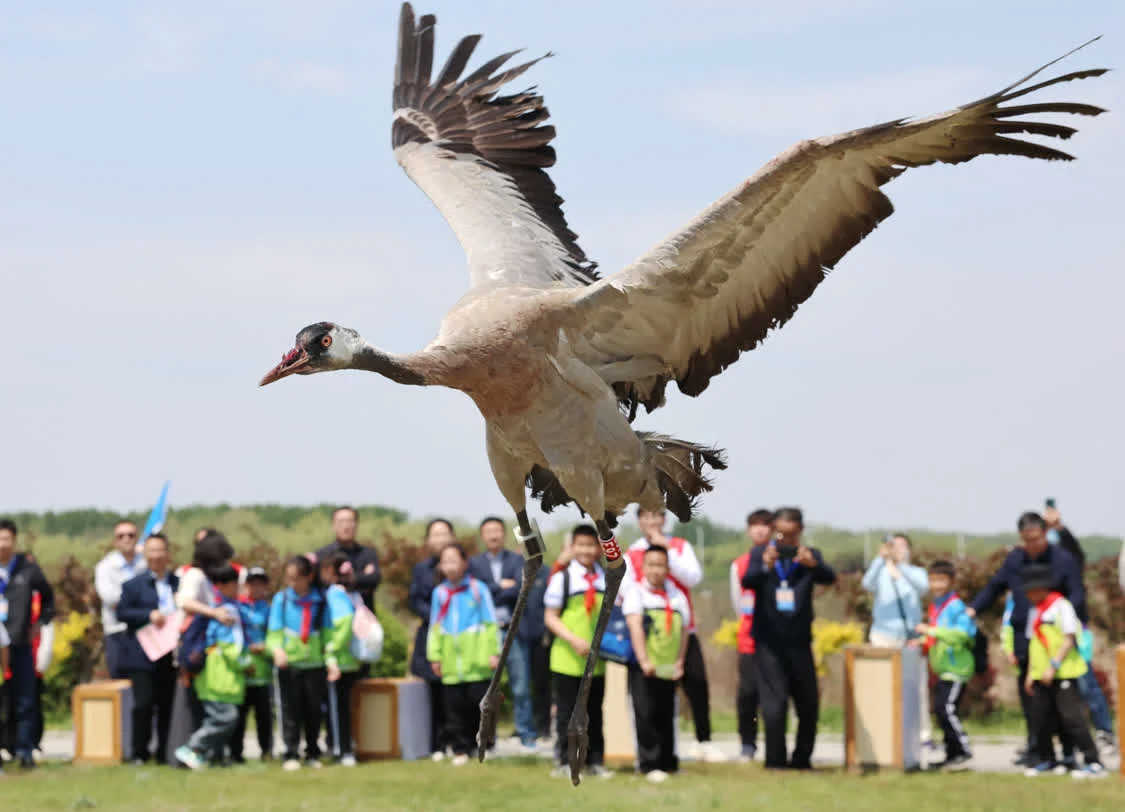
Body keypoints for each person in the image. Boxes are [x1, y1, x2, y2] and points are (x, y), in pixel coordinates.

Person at [967, 511, 1085, 767]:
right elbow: (995, 586)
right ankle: (1038, 750)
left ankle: (1067, 751)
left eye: (1036, 539)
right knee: (1032, 698)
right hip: (1025, 635)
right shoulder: (1015, 559)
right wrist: (974, 608)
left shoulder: (1062, 559)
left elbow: (1077, 594)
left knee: (1061, 701)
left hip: (1055, 639)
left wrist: (1068, 626)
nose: (1031, 545)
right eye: (1026, 540)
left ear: (1045, 534)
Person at [741, 506, 836, 770]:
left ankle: (802, 759)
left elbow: (830, 577)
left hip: (800, 642)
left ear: (800, 532)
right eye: (780, 535)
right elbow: (747, 581)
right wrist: (765, 566)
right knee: (774, 704)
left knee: (808, 703)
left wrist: (812, 565)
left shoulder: (810, 556)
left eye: (790, 535)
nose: (785, 542)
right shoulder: (760, 553)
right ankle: (775, 761)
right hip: (769, 642)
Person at [627, 508, 722, 762]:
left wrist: (665, 548)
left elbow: (693, 578)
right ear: (638, 521)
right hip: (650, 631)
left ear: (663, 519)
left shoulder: (679, 545)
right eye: (645, 517)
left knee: (697, 682)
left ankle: (703, 740)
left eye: (655, 516)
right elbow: (625, 589)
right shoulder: (633, 552)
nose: (650, 522)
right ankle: (652, 754)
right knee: (650, 695)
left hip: (681, 627)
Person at [1019, 562, 1107, 778]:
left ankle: (1092, 761)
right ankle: (1047, 759)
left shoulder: (1061, 606)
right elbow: (1034, 644)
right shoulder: (1035, 611)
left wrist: (1054, 665)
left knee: (1072, 718)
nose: (1030, 594)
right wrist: (1031, 673)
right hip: (1041, 674)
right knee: (1041, 718)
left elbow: (1069, 639)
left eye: (1033, 589)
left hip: (1064, 671)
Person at [1043, 504, 1115, 753]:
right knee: (1055, 691)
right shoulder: (1043, 578)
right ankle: (1054, 739)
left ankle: (1104, 732)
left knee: (1086, 684)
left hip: (1075, 633)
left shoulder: (1070, 567)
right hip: (1050, 639)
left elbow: (1076, 553)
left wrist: (1060, 527)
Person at [543, 524, 612, 779]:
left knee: (594, 712)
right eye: (580, 545)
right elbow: (550, 617)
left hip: (597, 661)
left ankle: (595, 761)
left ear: (598, 548)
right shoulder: (564, 578)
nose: (585, 550)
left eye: (591, 545)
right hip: (566, 658)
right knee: (567, 714)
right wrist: (573, 640)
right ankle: (566, 760)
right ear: (571, 548)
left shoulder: (607, 577)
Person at [166, 530, 237, 767]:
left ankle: (206, 754)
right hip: (193, 647)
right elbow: (184, 602)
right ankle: (190, 750)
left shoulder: (205, 577)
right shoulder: (195, 575)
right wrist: (214, 612)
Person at [426, 543, 501, 766]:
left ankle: (483, 745)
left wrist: (494, 652)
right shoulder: (439, 593)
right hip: (451, 664)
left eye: (454, 560)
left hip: (477, 661)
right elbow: (435, 626)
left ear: (464, 563)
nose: (449, 566)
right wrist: (435, 655)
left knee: (478, 708)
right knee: (454, 710)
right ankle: (460, 749)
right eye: (445, 561)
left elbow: (490, 623)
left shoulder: (478, 590)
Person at [623, 544, 691, 784]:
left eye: (661, 565)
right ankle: (648, 763)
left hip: (669, 666)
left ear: (668, 568)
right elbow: (634, 626)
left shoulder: (676, 595)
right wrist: (643, 660)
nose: (656, 570)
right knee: (645, 714)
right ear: (643, 567)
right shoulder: (637, 593)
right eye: (651, 564)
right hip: (644, 666)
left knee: (666, 715)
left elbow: (684, 631)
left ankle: (668, 762)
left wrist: (680, 661)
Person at [174, 565, 250, 770]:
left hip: (219, 676)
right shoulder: (223, 610)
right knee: (225, 718)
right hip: (217, 676)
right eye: (236, 584)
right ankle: (192, 747)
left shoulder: (215, 606)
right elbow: (229, 644)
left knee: (222, 718)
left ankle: (208, 757)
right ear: (224, 585)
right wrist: (245, 662)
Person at [468, 516, 534, 751]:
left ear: (504, 534)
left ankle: (526, 735)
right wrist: (500, 587)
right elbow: (477, 591)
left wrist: (493, 588)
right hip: (486, 633)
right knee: (487, 688)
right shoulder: (474, 564)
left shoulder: (517, 559)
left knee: (520, 685)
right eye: (489, 531)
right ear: (482, 535)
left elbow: (520, 588)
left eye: (497, 530)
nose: (494, 535)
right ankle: (487, 737)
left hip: (512, 631)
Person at [862, 532, 932, 749]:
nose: (897, 550)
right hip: (883, 634)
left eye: (901, 546)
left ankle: (923, 735)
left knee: (916, 686)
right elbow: (867, 584)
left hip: (910, 636)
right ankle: (882, 729)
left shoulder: (916, 572)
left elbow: (923, 588)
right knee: (882, 685)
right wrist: (880, 559)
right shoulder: (881, 571)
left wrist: (900, 568)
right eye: (893, 546)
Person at [116, 533, 180, 765]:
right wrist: (148, 615)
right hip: (143, 654)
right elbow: (122, 613)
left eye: (160, 550)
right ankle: (139, 752)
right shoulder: (133, 585)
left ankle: (164, 752)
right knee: (143, 704)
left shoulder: (178, 582)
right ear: (145, 554)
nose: (156, 556)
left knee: (167, 704)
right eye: (151, 551)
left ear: (168, 553)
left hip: (170, 654)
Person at [0, 518, 55, 770]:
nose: (2, 544)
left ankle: (25, 749)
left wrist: (39, 623)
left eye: (6, 539)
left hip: (19, 642)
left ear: (14, 540)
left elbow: (48, 598)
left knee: (25, 698)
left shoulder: (26, 567)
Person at [267, 554, 329, 771]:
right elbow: (274, 630)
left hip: (314, 663)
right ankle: (290, 752)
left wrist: (329, 657)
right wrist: (277, 650)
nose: (292, 583)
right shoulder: (281, 600)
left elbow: (327, 631)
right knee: (289, 709)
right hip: (289, 664)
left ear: (309, 577)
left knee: (313, 710)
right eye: (289, 578)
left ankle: (312, 751)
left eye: (297, 578)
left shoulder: (320, 600)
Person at [913, 560, 975, 771]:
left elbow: (961, 636)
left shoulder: (957, 607)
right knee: (940, 711)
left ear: (952, 581)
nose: (936, 585)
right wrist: (921, 641)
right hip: (942, 668)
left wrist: (930, 631)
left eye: (941, 580)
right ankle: (951, 755)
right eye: (933, 580)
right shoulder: (936, 606)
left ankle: (963, 749)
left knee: (946, 709)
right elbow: (935, 636)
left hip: (957, 668)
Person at [408, 518, 455, 760]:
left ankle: (458, 741)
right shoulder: (421, 569)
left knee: (456, 691)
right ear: (428, 541)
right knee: (433, 690)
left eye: (444, 534)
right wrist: (437, 617)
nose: (440, 540)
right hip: (431, 634)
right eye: (435, 535)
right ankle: (436, 743)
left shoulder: (463, 566)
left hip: (458, 635)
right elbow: (415, 600)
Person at [729, 508, 773, 762]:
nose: (760, 529)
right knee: (747, 693)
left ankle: (773, 742)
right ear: (749, 530)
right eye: (754, 525)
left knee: (774, 694)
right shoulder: (740, 564)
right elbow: (738, 603)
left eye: (765, 525)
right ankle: (747, 744)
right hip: (749, 637)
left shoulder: (781, 558)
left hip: (776, 640)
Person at [320, 553, 361, 766]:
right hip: (352, 660)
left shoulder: (335, 593)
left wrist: (331, 649)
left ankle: (341, 749)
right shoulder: (353, 593)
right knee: (347, 707)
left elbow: (344, 622)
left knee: (337, 710)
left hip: (338, 659)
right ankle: (349, 746)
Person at [231, 566, 273, 763]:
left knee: (264, 715)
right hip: (243, 670)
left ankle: (266, 751)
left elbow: (275, 634)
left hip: (263, 671)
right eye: (252, 584)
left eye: (260, 584)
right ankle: (236, 753)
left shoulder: (269, 608)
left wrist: (266, 646)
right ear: (246, 586)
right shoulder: (237, 608)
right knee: (239, 715)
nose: (256, 588)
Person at [94, 519, 146, 679]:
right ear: (114, 540)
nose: (126, 539)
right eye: (121, 536)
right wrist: (141, 603)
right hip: (117, 631)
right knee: (120, 681)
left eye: (130, 535)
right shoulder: (105, 566)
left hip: (145, 632)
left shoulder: (145, 563)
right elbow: (110, 599)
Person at [315, 507, 382, 618]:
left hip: (363, 622)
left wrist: (337, 579)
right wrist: (359, 578)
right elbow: (321, 583)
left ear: (356, 524)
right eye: (341, 521)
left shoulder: (368, 554)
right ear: (333, 525)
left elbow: (374, 579)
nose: (346, 526)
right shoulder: (323, 555)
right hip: (332, 620)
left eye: (350, 521)